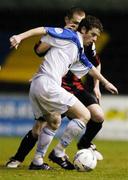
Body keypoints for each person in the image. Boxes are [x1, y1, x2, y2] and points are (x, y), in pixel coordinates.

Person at [7, 13, 118, 170]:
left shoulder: (79, 47)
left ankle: (37, 161)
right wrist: (19, 37)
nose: (94, 39)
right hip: (48, 84)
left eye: (96, 36)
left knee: (54, 122)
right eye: (92, 34)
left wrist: (105, 83)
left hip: (38, 85)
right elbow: (43, 29)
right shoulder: (70, 35)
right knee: (85, 115)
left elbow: (91, 67)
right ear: (83, 29)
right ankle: (58, 152)